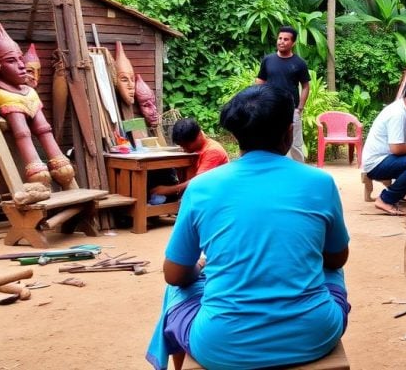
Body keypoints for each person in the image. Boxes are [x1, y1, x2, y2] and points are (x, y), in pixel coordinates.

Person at [145, 85, 350, 370]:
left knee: (178, 289)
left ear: (235, 136)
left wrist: (201, 269)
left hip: (220, 345)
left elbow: (174, 274)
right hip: (314, 335)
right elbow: (337, 259)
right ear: (289, 132)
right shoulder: (320, 182)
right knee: (332, 268)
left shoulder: (202, 187)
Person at [362, 80, 406, 216]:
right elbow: (396, 148)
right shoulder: (398, 114)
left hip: (385, 159)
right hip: (376, 163)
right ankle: (385, 199)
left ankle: (403, 194)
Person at [256, 26, 310, 162]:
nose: (281, 42)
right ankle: (271, 168)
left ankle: (298, 172)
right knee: (269, 139)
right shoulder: (268, 60)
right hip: (270, 108)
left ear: (293, 43)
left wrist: (300, 108)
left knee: (295, 143)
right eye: (280, 38)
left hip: (292, 109)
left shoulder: (299, 63)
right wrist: (258, 100)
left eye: (286, 39)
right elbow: (260, 80)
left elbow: (305, 86)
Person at [149, 118, 229, 200]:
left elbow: (199, 182)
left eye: (186, 146)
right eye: (182, 146)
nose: (184, 149)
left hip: (213, 197)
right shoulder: (194, 150)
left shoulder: (213, 151)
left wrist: (168, 190)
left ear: (199, 136)